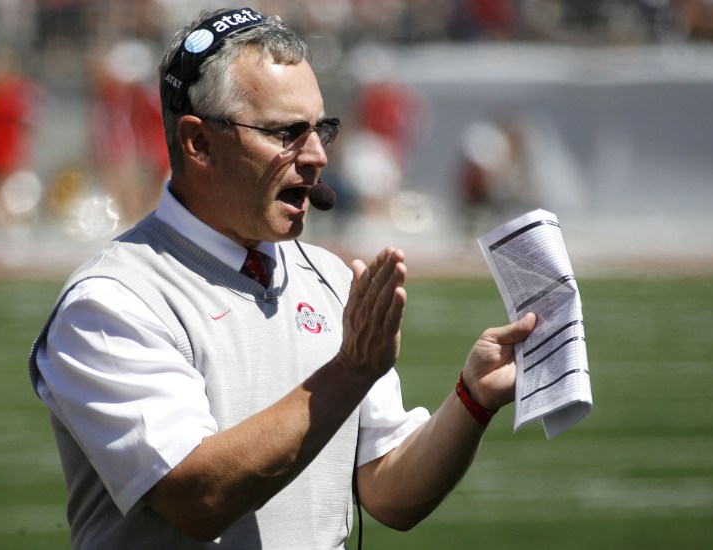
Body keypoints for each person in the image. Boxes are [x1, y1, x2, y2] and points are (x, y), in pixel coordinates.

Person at [29, 7, 536, 549]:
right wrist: (350, 370)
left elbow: (388, 491)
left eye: (321, 128)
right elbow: (197, 498)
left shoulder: (331, 277)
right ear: (199, 142)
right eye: (286, 132)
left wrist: (473, 398)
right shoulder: (112, 302)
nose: (317, 156)